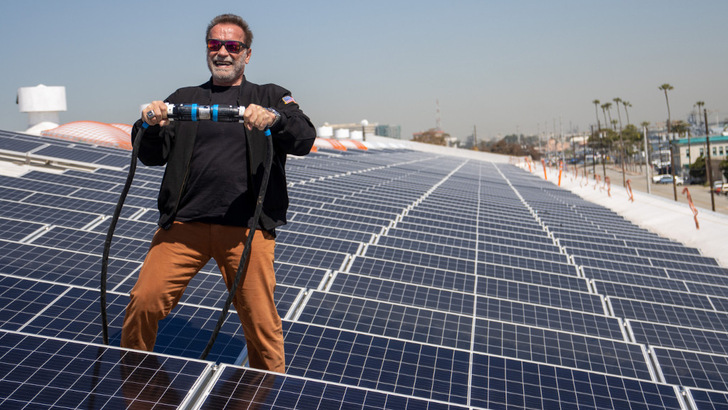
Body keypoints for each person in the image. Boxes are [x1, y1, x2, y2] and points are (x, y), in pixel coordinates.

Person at [120, 13, 316, 373]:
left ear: (247, 54)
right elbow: (151, 155)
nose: (223, 52)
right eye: (215, 45)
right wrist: (147, 125)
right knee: (144, 301)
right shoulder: (184, 98)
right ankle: (136, 384)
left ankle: (269, 391)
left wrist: (275, 120)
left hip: (247, 231)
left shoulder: (269, 95)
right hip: (183, 227)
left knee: (260, 323)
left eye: (232, 46)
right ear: (207, 50)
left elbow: (304, 137)